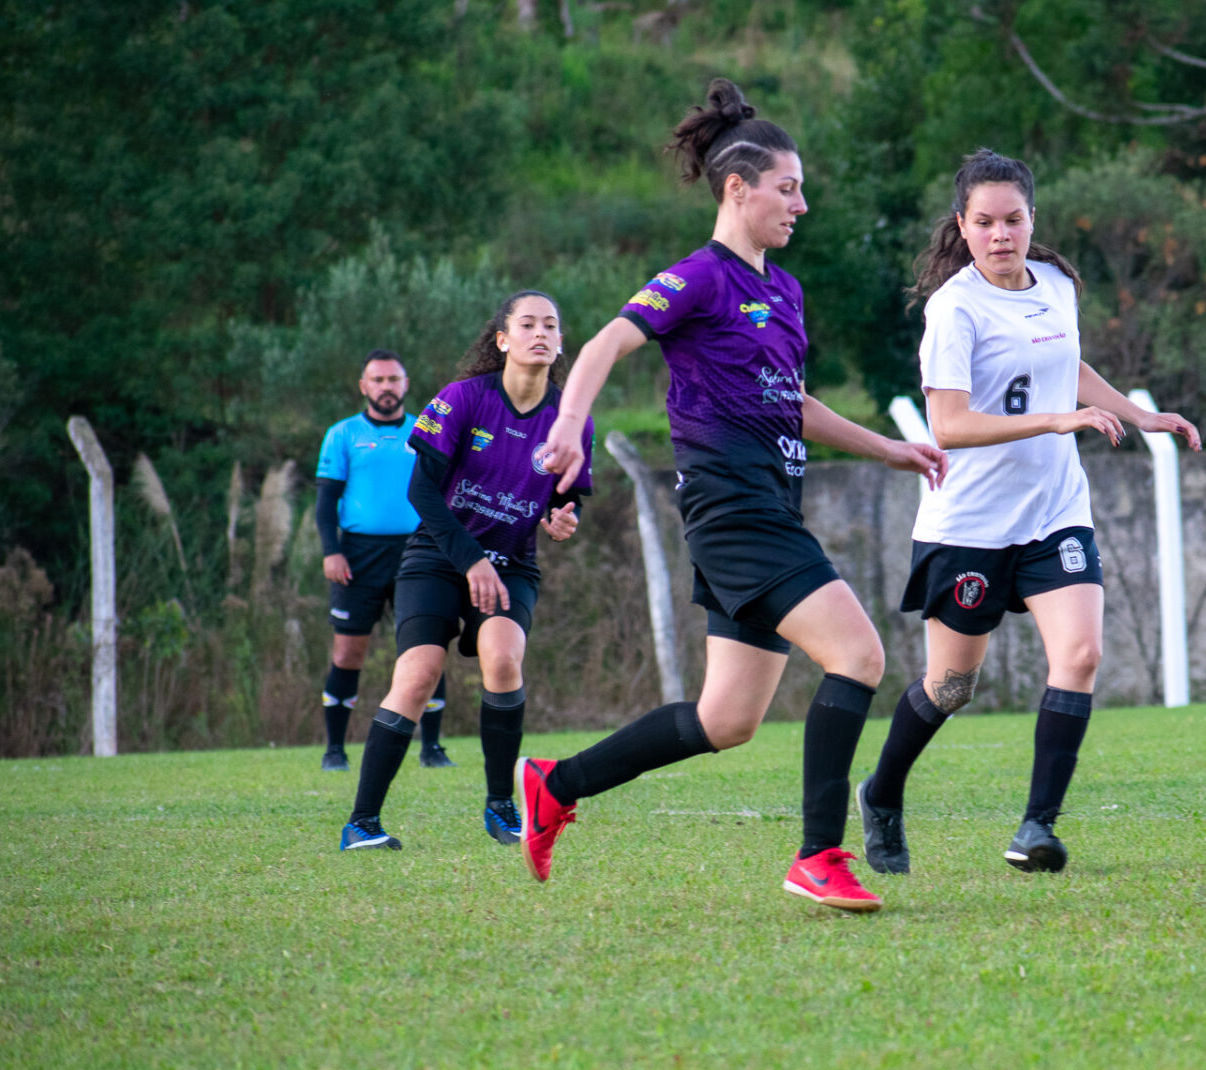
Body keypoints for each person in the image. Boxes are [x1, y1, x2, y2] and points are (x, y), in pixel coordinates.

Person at [515, 78, 948, 912]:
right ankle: (819, 855)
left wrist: (888, 447)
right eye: (788, 188)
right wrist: (566, 424)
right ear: (737, 189)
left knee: (727, 720)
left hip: (768, 506)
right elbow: (607, 340)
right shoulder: (700, 278)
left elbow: (795, 401)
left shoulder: (781, 292)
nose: (803, 204)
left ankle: (555, 784)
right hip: (731, 507)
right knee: (859, 656)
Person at [855, 149, 1201, 876]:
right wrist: (1055, 422)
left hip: (1054, 513)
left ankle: (1036, 828)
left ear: (1031, 219)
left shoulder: (1056, 286)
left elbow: (1065, 366)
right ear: (964, 226)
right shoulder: (954, 310)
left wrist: (1140, 415)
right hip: (970, 526)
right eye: (984, 222)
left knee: (1080, 655)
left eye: (1013, 219)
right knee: (952, 687)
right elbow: (947, 425)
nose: (1001, 234)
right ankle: (881, 794)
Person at [339, 292, 587, 851]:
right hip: (436, 558)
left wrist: (563, 518)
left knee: (503, 659)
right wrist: (470, 558)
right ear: (502, 340)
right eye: (527, 324)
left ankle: (502, 807)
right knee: (418, 675)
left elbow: (569, 497)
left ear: (561, 341)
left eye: (551, 324)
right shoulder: (462, 399)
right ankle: (362, 823)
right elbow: (421, 489)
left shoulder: (569, 417)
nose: (540, 333)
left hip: (513, 564)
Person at [312, 350, 452, 771]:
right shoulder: (343, 435)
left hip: (419, 550)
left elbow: (445, 495)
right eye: (378, 380)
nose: (386, 387)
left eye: (394, 379)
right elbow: (325, 502)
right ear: (364, 386)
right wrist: (331, 550)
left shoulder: (424, 432)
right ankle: (335, 749)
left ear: (405, 384)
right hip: (358, 555)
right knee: (348, 653)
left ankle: (431, 748)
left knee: (426, 647)